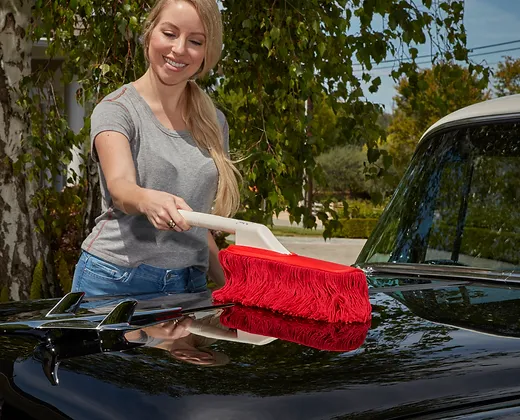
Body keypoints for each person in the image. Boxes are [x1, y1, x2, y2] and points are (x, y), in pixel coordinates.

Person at [71, 0, 240, 297]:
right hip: (115, 282)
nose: (179, 49)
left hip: (190, 285)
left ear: (207, 51)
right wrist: (148, 200)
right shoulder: (117, 109)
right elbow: (120, 187)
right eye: (170, 33)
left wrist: (239, 290)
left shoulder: (215, 122)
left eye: (195, 41)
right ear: (149, 33)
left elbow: (198, 229)